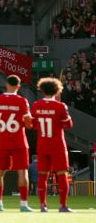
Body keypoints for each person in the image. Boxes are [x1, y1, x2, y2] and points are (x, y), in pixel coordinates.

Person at [0, 75, 34, 212]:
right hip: (19, 141)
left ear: (6, 84)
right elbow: (28, 124)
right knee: (22, 172)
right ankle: (23, 204)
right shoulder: (22, 101)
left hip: (3, 141)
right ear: (18, 86)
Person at [32, 77, 74, 212]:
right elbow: (69, 125)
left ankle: (43, 205)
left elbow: (33, 124)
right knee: (62, 175)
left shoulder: (36, 105)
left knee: (42, 176)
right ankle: (63, 205)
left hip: (43, 144)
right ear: (57, 91)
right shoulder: (60, 106)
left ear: (42, 90)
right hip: (58, 145)